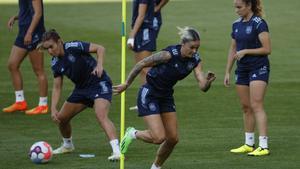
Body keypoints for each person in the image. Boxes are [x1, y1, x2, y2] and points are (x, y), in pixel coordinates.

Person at [114, 27, 216, 169]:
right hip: (150, 93)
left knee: (173, 139)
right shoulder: (167, 55)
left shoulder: (195, 60)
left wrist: (208, 82)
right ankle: (132, 133)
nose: (194, 51)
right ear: (183, 43)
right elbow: (141, 63)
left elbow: (202, 86)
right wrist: (126, 83)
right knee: (158, 137)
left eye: (197, 48)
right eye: (192, 47)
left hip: (166, 96)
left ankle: (156, 167)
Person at [38, 29, 121, 161]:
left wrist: (99, 65)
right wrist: (53, 108)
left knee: (101, 115)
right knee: (62, 118)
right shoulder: (55, 63)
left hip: (99, 82)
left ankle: (117, 151)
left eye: (51, 47)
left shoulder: (73, 47)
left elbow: (100, 48)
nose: (50, 51)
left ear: (59, 42)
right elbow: (57, 86)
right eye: (46, 48)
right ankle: (67, 145)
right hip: (81, 90)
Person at [224, 0, 271, 156]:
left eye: (239, 7)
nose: (236, 10)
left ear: (249, 6)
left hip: (259, 67)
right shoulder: (236, 25)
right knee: (246, 106)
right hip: (242, 69)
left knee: (256, 104)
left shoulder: (259, 23)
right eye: (235, 7)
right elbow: (233, 48)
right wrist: (227, 72)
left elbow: (267, 49)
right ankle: (249, 143)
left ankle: (263, 146)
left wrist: (246, 51)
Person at [2, 0, 48, 115]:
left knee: (38, 70)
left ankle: (43, 105)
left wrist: (30, 32)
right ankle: (20, 102)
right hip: (24, 32)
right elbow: (28, 9)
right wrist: (16, 17)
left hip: (33, 33)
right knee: (12, 64)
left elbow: (38, 13)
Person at [127, 0, 156, 84]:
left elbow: (141, 15)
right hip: (139, 32)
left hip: (144, 32)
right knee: (140, 68)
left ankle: (150, 94)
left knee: (146, 69)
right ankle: (144, 94)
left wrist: (132, 36)